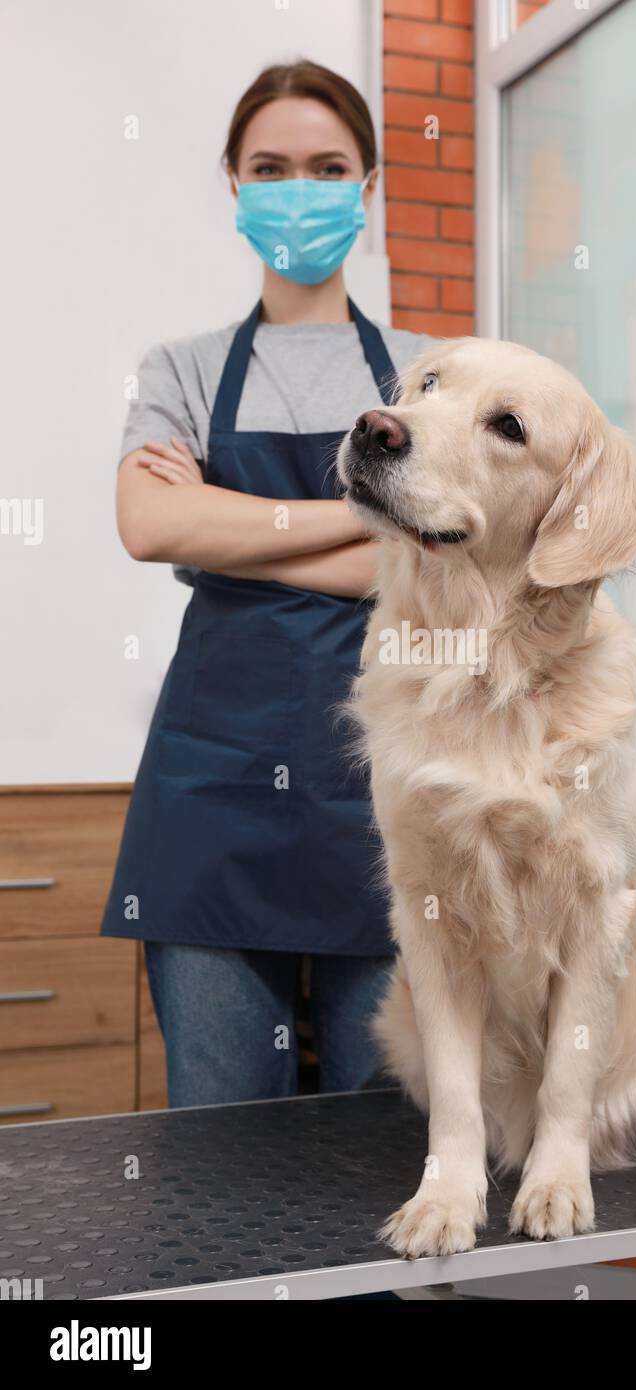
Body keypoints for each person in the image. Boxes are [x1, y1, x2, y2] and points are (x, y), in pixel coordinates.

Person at [101, 59, 436, 1108]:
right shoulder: (184, 368)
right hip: (209, 810)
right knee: (221, 1156)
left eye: (327, 167)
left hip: (387, 808)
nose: (300, 187)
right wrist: (369, 514)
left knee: (383, 1155)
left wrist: (226, 535)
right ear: (236, 186)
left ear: (368, 186)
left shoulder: (429, 373)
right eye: (272, 167)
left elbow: (454, 559)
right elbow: (149, 521)